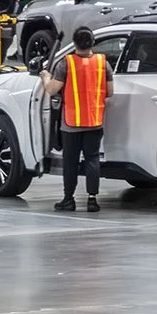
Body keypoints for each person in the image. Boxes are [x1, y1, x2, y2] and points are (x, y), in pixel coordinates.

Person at [43, 25, 112, 214]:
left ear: (74, 43)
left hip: (71, 123)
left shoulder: (66, 63)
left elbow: (51, 90)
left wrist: (45, 77)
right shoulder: (102, 63)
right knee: (92, 160)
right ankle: (92, 200)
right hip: (94, 121)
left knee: (70, 162)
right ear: (93, 42)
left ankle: (69, 199)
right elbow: (110, 91)